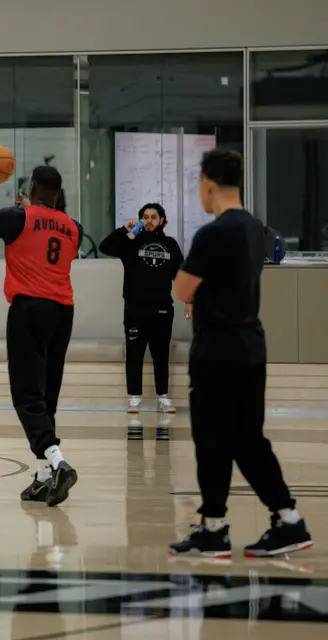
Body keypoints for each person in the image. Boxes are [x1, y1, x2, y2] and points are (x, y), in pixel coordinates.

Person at [169, 148, 312, 558]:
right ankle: (288, 519)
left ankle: (213, 528)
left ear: (208, 184)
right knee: (248, 439)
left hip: (217, 350)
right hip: (250, 347)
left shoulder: (213, 233)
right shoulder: (254, 228)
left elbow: (181, 288)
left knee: (211, 439)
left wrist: (195, 290)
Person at [0, 166, 81, 507]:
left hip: (30, 308)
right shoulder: (74, 227)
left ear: (32, 186)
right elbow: (50, 237)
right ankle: (44, 477)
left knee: (27, 396)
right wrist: (35, 210)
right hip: (63, 312)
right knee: (46, 397)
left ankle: (58, 463)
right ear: (58, 192)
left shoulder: (15, 217)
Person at [99, 203, 184, 414]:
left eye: (153, 217)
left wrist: (190, 301)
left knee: (161, 355)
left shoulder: (170, 244)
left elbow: (181, 275)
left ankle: (163, 397)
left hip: (162, 309)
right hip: (135, 309)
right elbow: (105, 247)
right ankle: (134, 398)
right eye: (145, 217)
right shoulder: (130, 242)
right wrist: (124, 230)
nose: (149, 221)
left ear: (161, 220)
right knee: (134, 354)